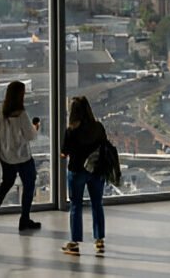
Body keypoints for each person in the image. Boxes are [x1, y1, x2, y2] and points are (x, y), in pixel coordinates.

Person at [0, 80, 41, 231]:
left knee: (5, 185)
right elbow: (30, 136)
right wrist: (36, 126)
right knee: (29, 185)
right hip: (22, 156)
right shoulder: (21, 114)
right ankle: (24, 219)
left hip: (5, 155)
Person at [60, 96, 107, 256]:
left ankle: (74, 243)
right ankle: (99, 240)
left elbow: (64, 153)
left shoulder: (71, 131)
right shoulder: (98, 127)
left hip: (77, 171)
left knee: (76, 205)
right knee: (97, 204)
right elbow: (104, 146)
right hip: (96, 171)